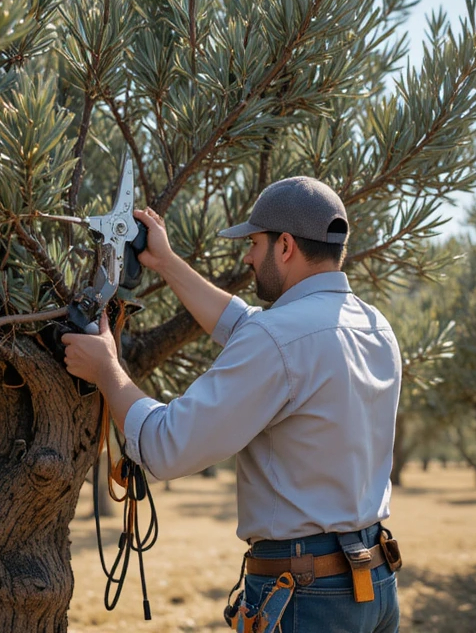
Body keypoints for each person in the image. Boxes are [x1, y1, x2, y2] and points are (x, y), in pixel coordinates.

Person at [62, 176, 403, 633]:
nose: (248, 257)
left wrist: (108, 371)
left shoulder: (278, 337)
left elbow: (168, 446)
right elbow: (246, 326)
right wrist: (165, 262)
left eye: (254, 244)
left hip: (307, 597)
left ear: (285, 246)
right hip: (375, 582)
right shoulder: (374, 325)